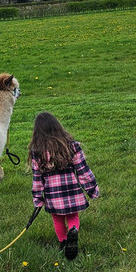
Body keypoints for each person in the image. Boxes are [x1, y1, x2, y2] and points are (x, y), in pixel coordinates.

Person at [28, 111, 100, 260]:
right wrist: (92, 189)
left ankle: (63, 243)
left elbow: (37, 178)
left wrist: (37, 197)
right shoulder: (72, 146)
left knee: (57, 218)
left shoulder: (37, 152)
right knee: (73, 215)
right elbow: (83, 171)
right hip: (71, 189)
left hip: (53, 193)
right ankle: (73, 232)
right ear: (57, 126)